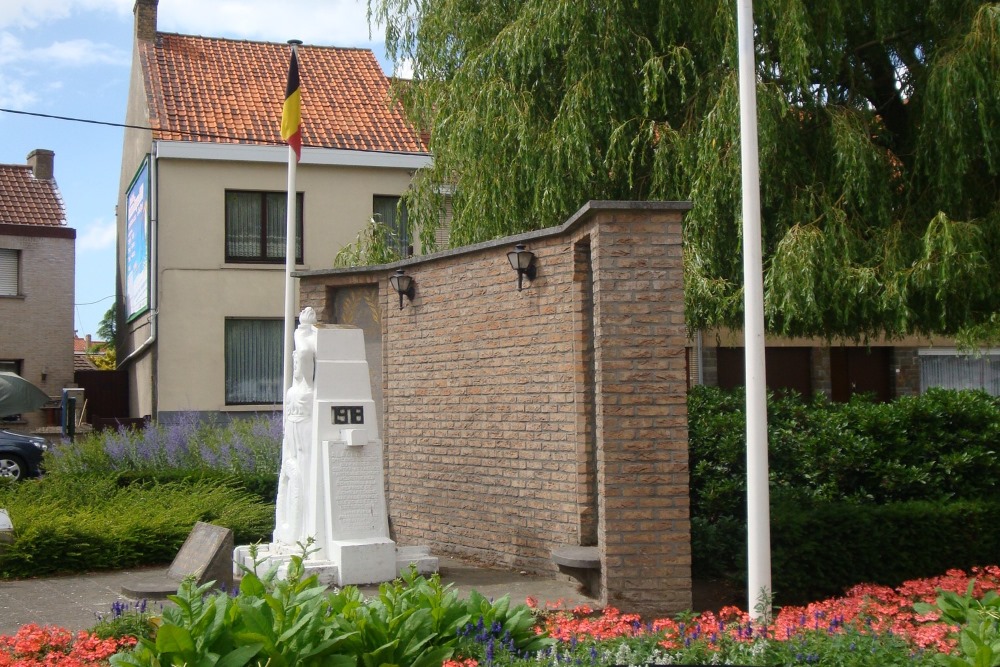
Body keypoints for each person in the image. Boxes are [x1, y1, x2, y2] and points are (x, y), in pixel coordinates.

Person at [272, 308, 317, 548]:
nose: (296, 365)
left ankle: (305, 526)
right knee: (291, 470)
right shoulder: (292, 390)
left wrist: (304, 329)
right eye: (295, 362)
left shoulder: (310, 389)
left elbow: (306, 351)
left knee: (306, 472)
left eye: (300, 362)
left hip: (307, 429)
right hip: (292, 429)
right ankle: (291, 528)